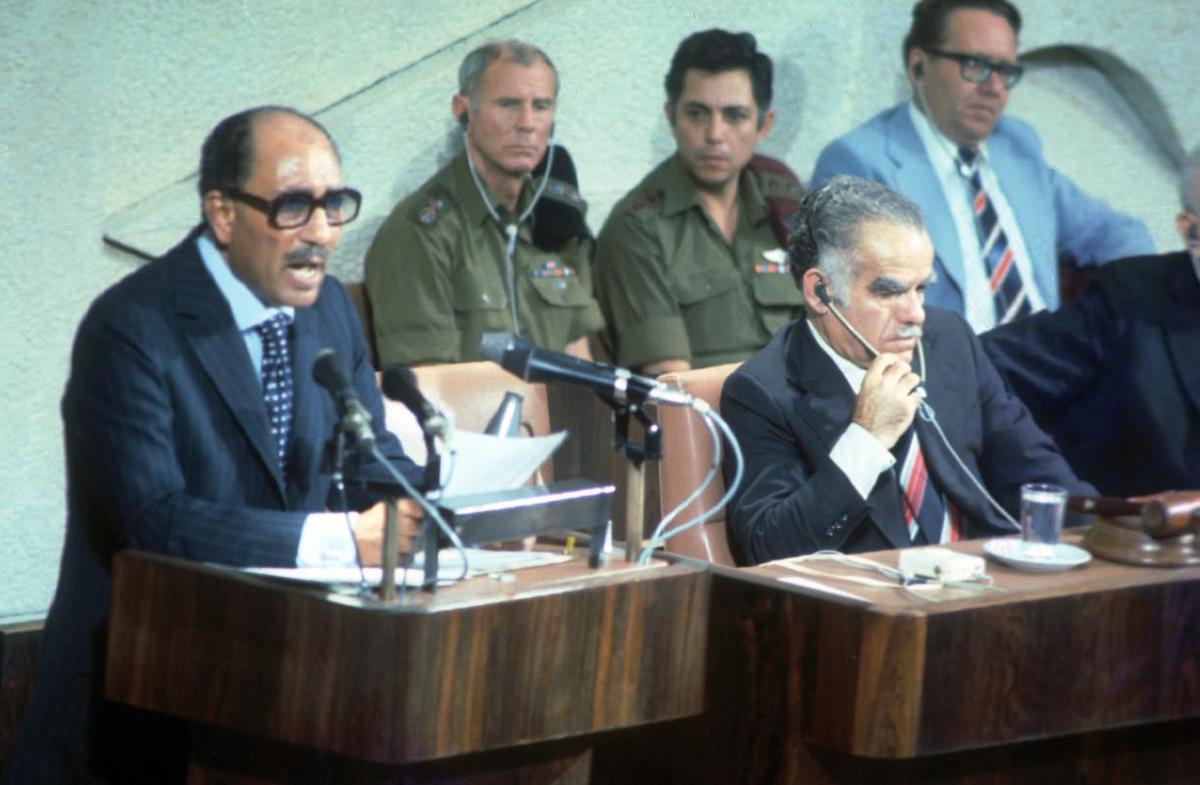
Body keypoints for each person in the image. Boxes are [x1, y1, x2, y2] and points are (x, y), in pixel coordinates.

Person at [5, 107, 423, 785]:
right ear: (223, 213)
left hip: (288, 695)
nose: (321, 233)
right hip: (138, 710)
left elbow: (368, 454)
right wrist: (343, 540)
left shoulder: (328, 309)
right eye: (294, 206)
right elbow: (156, 521)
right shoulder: (133, 327)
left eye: (335, 205)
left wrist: (448, 513)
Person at [722, 176, 1091, 564]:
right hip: (874, 606)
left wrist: (1110, 526)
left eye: (920, 289)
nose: (915, 315)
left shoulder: (948, 338)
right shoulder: (761, 391)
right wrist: (865, 439)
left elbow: (1034, 468)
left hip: (982, 580)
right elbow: (769, 549)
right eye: (889, 292)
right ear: (819, 292)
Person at [810, 0, 1153, 333]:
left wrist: (1116, 313)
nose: (994, 88)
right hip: (951, 375)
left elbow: (1117, 232)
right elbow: (853, 316)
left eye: (1005, 71)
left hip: (1052, 364)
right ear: (918, 66)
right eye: (975, 65)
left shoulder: (1016, 147)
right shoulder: (860, 163)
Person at [365, 39, 602, 366]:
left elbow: (580, 357)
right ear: (462, 111)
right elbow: (426, 389)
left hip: (557, 414)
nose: (527, 123)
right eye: (508, 104)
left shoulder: (555, 219)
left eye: (542, 106)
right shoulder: (422, 234)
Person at [982, 146, 1200, 498]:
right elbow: (981, 371)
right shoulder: (1129, 300)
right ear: (1191, 232)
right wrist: (1063, 495)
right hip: (1128, 539)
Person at [594, 29, 805, 373]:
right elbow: (671, 386)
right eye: (697, 114)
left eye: (734, 116)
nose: (714, 134)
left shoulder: (786, 204)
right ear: (671, 117)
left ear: (764, 125)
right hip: (710, 420)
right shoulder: (637, 228)